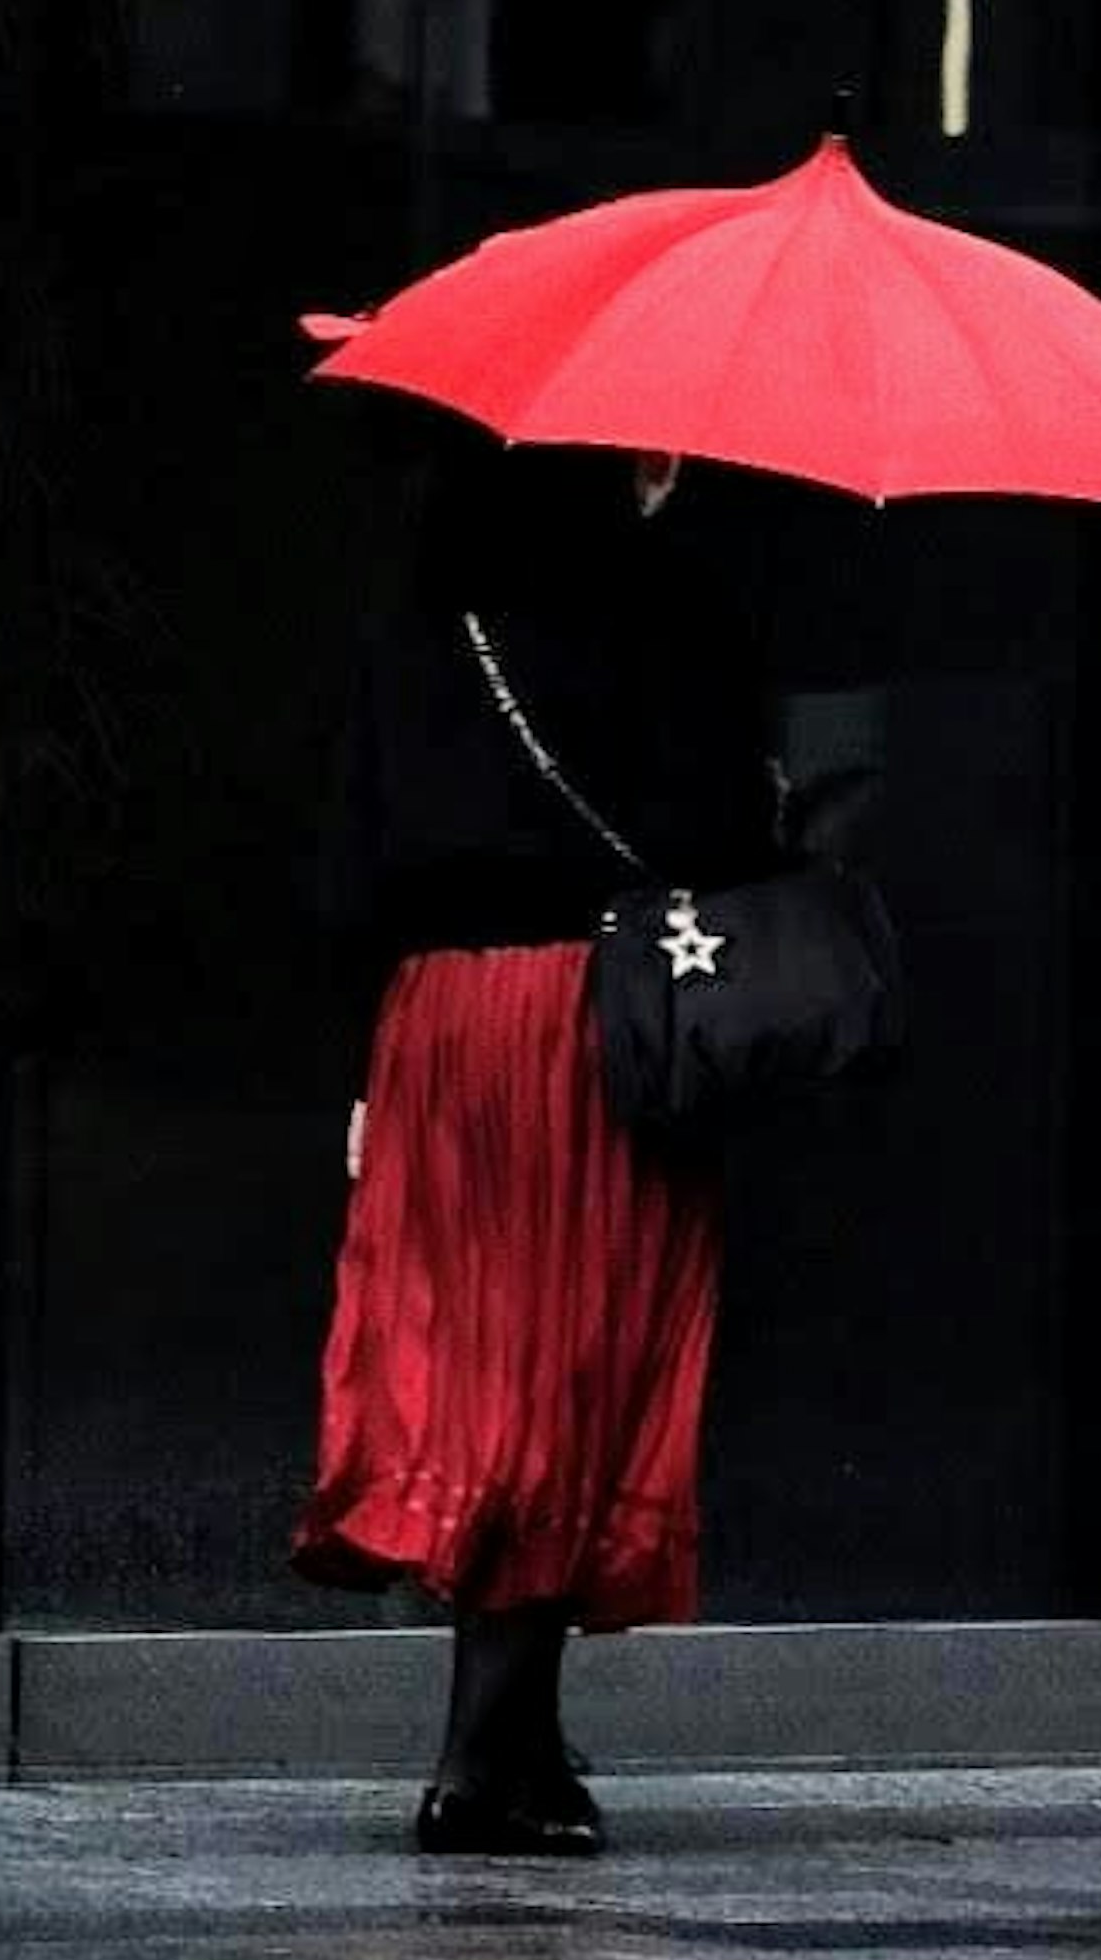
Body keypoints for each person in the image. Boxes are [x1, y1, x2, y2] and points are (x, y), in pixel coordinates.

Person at [296, 435, 785, 1855]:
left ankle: (523, 1740)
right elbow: (722, 831)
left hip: (441, 1020)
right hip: (598, 1018)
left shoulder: (421, 619)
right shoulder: (673, 609)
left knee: (486, 1360)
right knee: (578, 1367)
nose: (672, 464)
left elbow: (347, 868)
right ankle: (475, 1753)